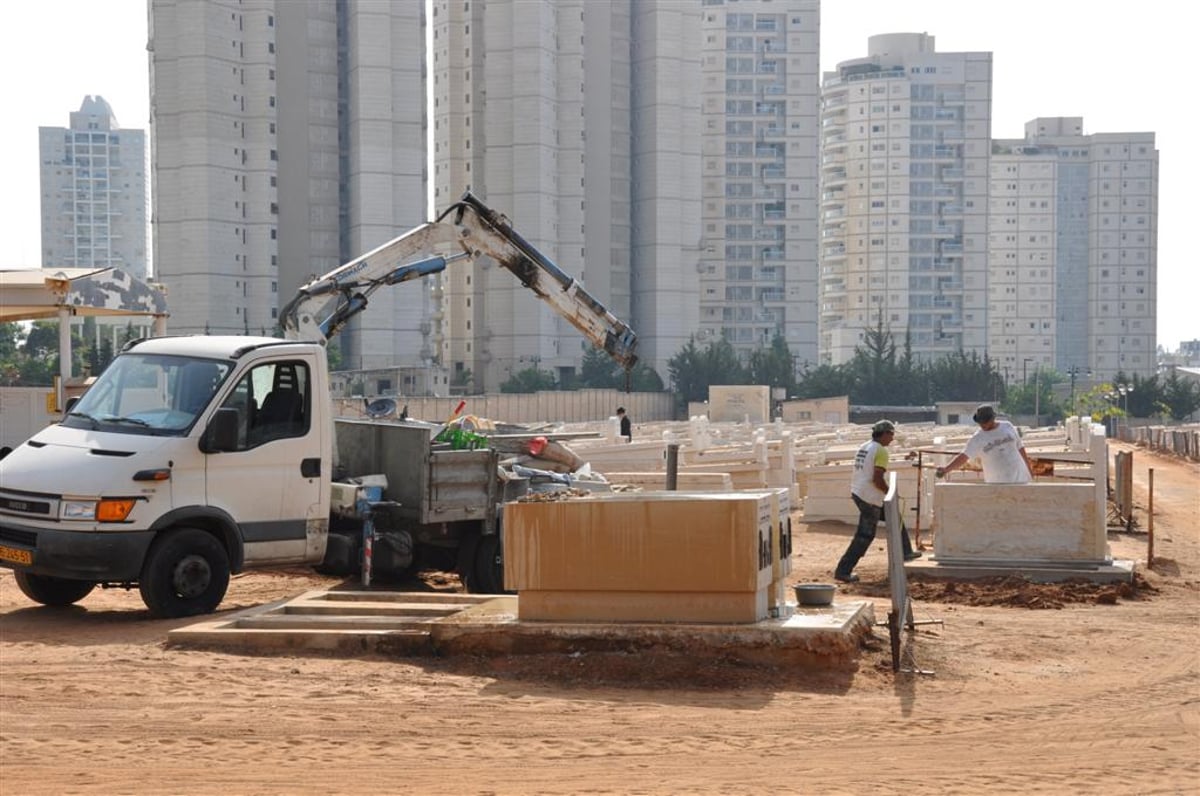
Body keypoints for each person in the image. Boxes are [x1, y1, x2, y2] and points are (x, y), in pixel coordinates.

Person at [834, 419, 921, 584]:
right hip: (870, 498)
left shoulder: (865, 446)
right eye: (892, 434)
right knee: (865, 535)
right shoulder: (881, 451)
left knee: (895, 518)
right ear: (885, 433)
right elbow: (877, 479)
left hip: (859, 492)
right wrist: (890, 493)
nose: (892, 439)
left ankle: (906, 551)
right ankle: (843, 571)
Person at [935, 404, 1033, 484]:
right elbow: (964, 456)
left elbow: (1020, 447)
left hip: (1020, 478)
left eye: (985, 422)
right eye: (980, 422)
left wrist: (1029, 469)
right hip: (997, 483)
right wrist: (946, 469)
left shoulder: (1007, 426)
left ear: (992, 419)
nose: (982, 425)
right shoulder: (978, 438)